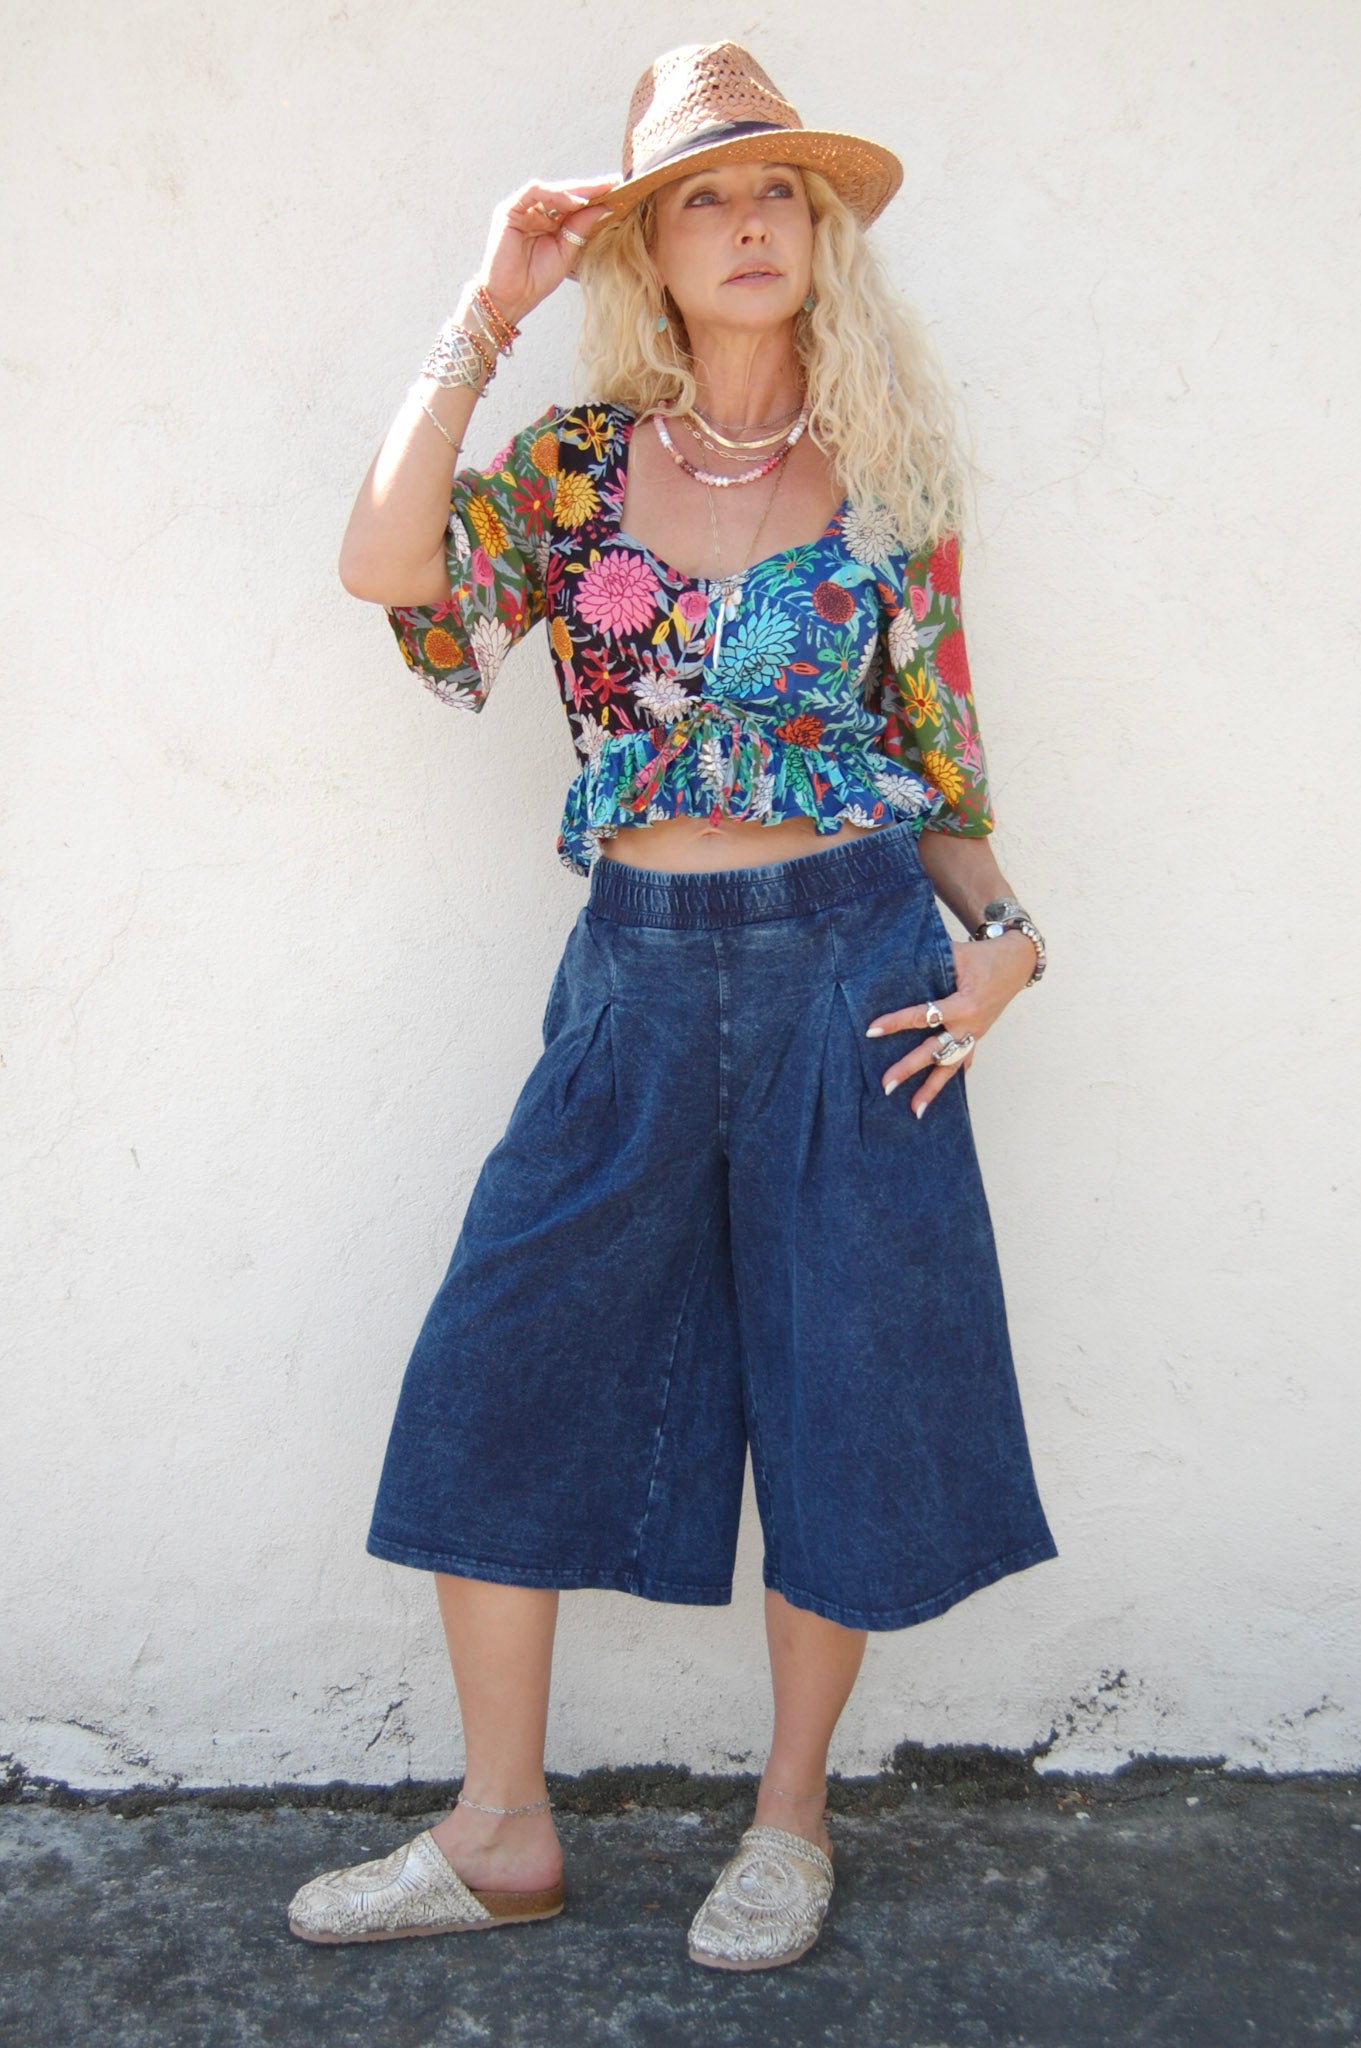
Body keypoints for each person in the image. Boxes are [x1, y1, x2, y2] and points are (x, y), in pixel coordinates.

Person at [288, 41, 1058, 1972]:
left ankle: (788, 1822)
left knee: (842, 1390)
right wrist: (487, 308)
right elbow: (385, 565)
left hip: (856, 969)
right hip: (634, 976)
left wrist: (1006, 939)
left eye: (773, 190)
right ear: (648, 249)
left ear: (818, 237)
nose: (744, 222)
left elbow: (942, 770)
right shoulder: (571, 468)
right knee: (498, 1369)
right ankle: (498, 1833)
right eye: (701, 197)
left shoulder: (890, 483)